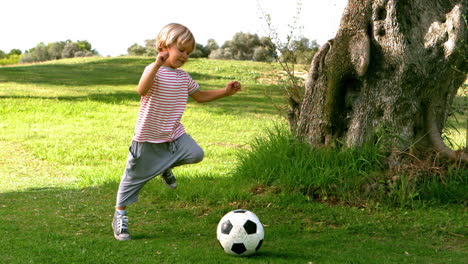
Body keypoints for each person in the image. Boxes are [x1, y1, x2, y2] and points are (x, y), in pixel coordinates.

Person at [112, 23, 241, 241]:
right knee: (132, 179)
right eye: (181, 50)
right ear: (165, 46)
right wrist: (155, 65)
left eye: (188, 53)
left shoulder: (183, 77)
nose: (185, 56)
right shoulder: (154, 71)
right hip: (146, 138)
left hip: (173, 135)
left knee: (196, 154)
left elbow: (200, 96)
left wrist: (225, 92)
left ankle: (164, 166)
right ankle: (120, 215)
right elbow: (141, 90)